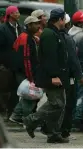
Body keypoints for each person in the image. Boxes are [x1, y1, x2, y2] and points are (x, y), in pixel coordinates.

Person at [22, 8, 70, 143]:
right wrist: (54, 76)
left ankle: (53, 133)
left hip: (58, 75)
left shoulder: (54, 32)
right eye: (63, 19)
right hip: (52, 76)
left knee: (59, 105)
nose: (65, 21)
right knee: (56, 104)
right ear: (60, 19)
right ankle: (31, 120)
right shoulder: (49, 34)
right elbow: (50, 58)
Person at [0, 6, 23, 119]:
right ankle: (0, 115)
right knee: (3, 92)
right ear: (10, 15)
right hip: (4, 66)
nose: (18, 14)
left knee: (15, 91)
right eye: (16, 12)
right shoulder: (1, 29)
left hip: (16, 66)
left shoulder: (20, 28)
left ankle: (12, 114)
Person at [8, 16, 41, 124]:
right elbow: (26, 59)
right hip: (24, 72)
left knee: (27, 95)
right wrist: (30, 77)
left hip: (23, 71)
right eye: (35, 24)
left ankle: (17, 115)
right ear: (29, 25)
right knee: (30, 95)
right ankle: (27, 121)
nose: (38, 26)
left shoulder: (27, 36)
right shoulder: (26, 38)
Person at [59, 14, 83, 140]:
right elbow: (73, 59)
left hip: (60, 76)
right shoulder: (67, 38)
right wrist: (79, 75)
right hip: (68, 77)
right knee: (69, 104)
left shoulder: (56, 36)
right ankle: (64, 130)